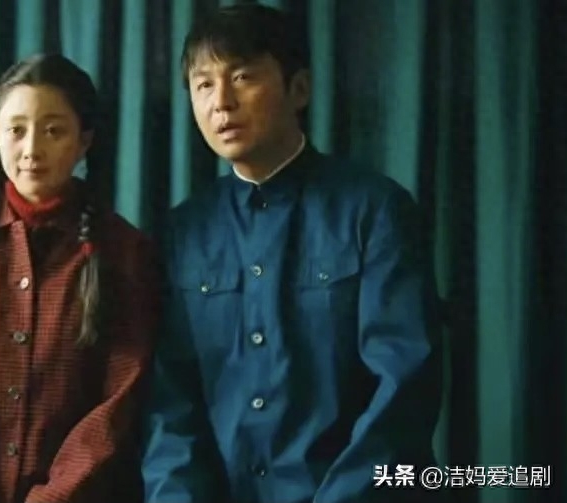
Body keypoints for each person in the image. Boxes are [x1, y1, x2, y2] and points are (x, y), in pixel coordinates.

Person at [141, 4, 442, 503]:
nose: (221, 102)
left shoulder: (375, 211)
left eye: (242, 77)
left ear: (298, 89)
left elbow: (403, 388)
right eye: (203, 84)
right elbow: (170, 406)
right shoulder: (182, 232)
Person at [0, 53, 158, 503]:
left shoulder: (124, 251)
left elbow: (119, 400)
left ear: (84, 140)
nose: (32, 149)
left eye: (54, 130)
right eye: (16, 130)